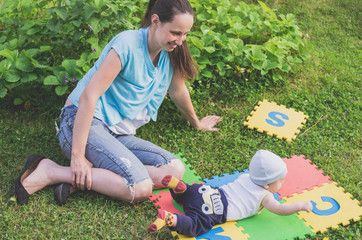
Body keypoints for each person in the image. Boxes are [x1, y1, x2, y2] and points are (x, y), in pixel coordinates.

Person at [14, 0, 222, 206]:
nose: (180, 40)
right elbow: (89, 96)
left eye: (185, 34)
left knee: (174, 169)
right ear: (156, 21)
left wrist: (197, 123)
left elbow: (177, 90)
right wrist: (77, 157)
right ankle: (51, 171)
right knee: (140, 187)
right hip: (81, 122)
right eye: (176, 33)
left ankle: (88, 179)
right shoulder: (127, 44)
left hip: (117, 133)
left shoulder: (170, 52)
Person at [147, 149, 313, 237]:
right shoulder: (266, 197)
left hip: (206, 191)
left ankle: (179, 187)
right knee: (196, 226)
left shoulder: (247, 176)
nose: (283, 183)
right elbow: (280, 209)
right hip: (215, 210)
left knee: (189, 194)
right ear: (268, 185)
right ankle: (171, 219)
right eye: (281, 181)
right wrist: (300, 205)